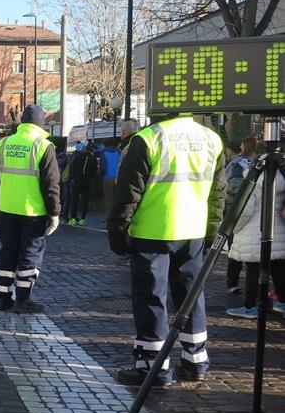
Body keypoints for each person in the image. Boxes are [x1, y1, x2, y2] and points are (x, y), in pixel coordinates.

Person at [107, 113, 225, 386]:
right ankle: (195, 361)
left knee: (151, 298)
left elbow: (128, 193)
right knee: (192, 296)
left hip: (153, 232)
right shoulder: (211, 139)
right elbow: (218, 194)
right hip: (193, 231)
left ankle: (153, 366)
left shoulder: (148, 139)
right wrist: (211, 233)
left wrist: (118, 233)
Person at [0, 104, 60, 313]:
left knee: (7, 253)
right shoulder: (43, 146)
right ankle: (23, 299)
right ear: (40, 123)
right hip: (33, 212)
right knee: (29, 256)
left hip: (7, 210)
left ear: (22, 122)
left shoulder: (2, 144)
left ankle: (2, 298)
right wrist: (54, 213)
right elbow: (51, 184)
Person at [225, 165, 285, 319]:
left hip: (255, 232)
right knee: (278, 268)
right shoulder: (281, 179)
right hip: (278, 231)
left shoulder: (254, 180)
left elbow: (245, 210)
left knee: (253, 271)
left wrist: (233, 228)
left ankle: (250, 306)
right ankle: (282, 302)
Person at [224, 137, 257, 294]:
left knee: (234, 249)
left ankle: (232, 283)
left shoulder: (234, 164)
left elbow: (226, 185)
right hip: (255, 214)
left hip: (235, 211)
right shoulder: (260, 163)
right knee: (253, 253)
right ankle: (254, 288)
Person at [66, 141, 97, 226]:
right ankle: (82, 219)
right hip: (87, 182)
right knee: (84, 201)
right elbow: (94, 172)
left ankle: (73, 219)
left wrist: (72, 178)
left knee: (74, 200)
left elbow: (72, 167)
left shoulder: (78, 156)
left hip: (76, 181)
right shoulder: (93, 158)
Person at [100, 138, 121, 217]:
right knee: (117, 197)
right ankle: (118, 214)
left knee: (108, 198)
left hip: (107, 178)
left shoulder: (104, 153)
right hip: (118, 177)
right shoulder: (118, 152)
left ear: (105, 144)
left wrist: (101, 174)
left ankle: (110, 216)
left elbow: (103, 168)